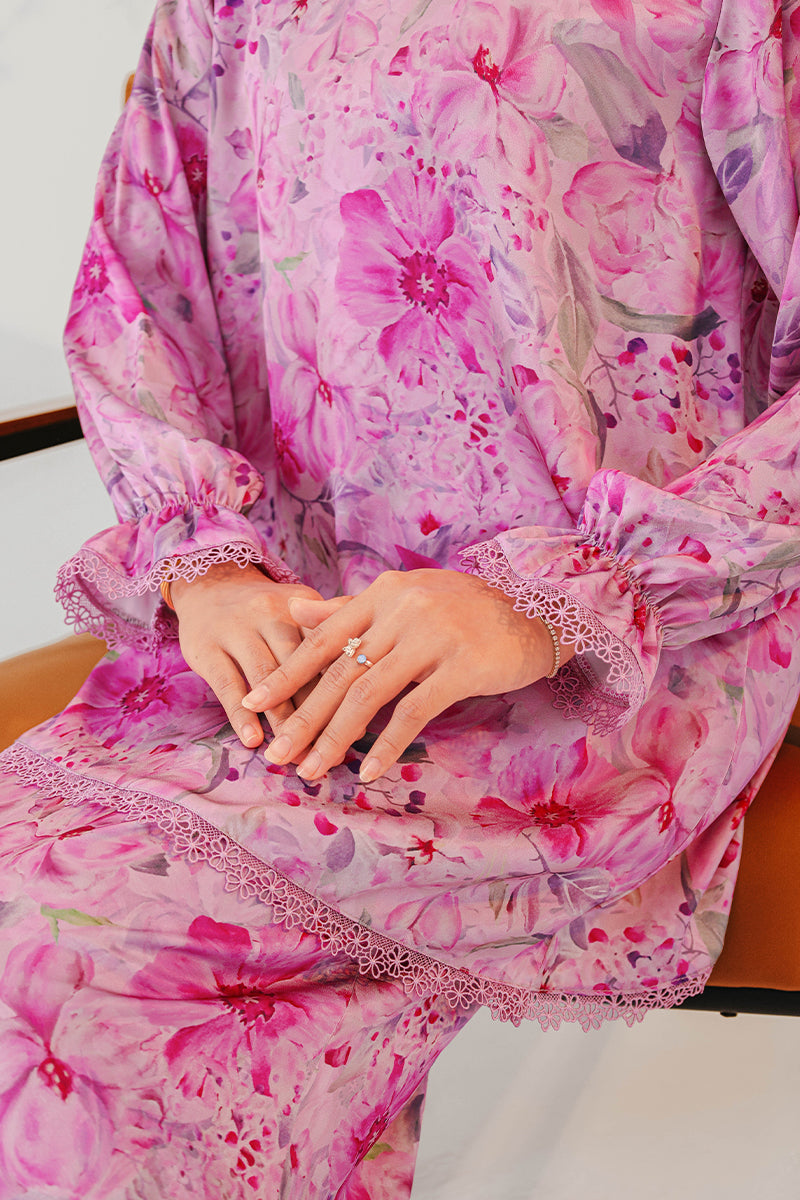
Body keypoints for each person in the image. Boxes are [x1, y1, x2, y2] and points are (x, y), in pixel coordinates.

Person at [2, 0, 800, 1194]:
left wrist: (556, 600)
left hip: (609, 659)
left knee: (70, 990)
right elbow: (141, 294)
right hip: (278, 643)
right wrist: (206, 565)